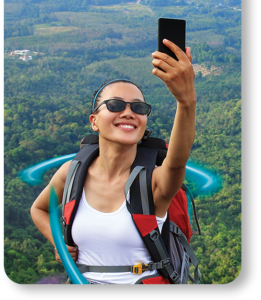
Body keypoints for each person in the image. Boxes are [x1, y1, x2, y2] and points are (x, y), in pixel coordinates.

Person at [30, 39, 196, 284]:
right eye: (116, 105)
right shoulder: (72, 173)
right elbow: (39, 209)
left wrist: (186, 101)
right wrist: (60, 244)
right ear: (94, 121)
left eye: (138, 107)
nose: (128, 112)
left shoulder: (153, 182)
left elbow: (177, 161)